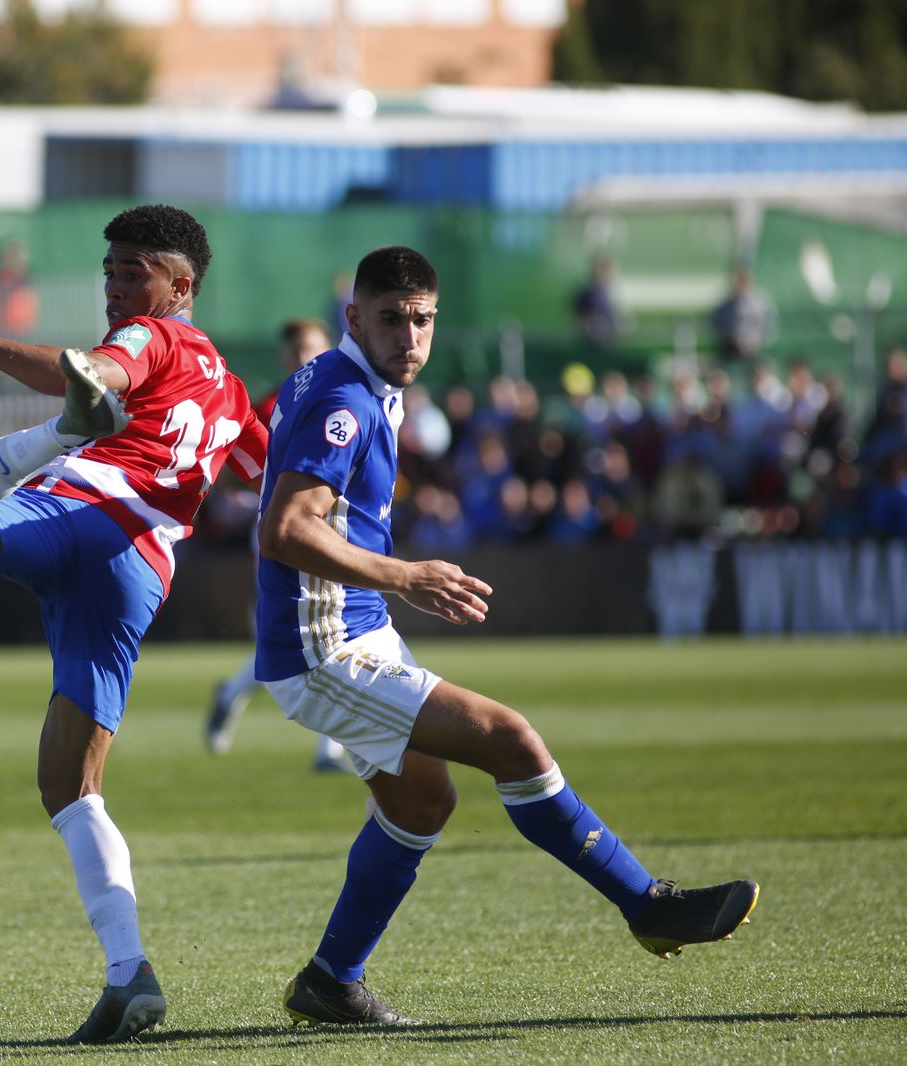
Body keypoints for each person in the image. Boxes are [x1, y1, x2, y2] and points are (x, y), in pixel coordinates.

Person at [254, 245, 759, 1027]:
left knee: (421, 804)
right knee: (514, 740)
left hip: (355, 633)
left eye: (422, 320)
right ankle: (645, 903)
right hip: (324, 648)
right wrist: (405, 575)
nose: (410, 337)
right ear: (353, 318)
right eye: (391, 319)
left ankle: (331, 980)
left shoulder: (343, 381)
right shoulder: (345, 397)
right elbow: (285, 529)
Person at [0, 204, 267, 1044]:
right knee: (70, 786)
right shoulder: (235, 398)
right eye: (111, 272)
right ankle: (129, 974)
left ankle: (50, 441)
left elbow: (98, 372)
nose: (117, 286)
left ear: (181, 286)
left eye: (135, 271)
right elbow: (279, 484)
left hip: (78, 514)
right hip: (138, 573)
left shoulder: (153, 338)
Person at [204, 316, 350, 772]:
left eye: (318, 348)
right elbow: (242, 462)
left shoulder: (346, 395)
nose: (311, 358)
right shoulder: (272, 404)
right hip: (283, 524)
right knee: (303, 630)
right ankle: (326, 746)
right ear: (287, 357)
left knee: (331, 629)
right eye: (302, 350)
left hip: (332, 524)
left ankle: (324, 746)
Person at [709, 264, 776, 363]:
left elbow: (768, 326)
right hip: (730, 350)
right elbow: (715, 324)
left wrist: (755, 341)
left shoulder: (759, 302)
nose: (741, 284)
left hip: (755, 351)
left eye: (744, 280)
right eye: (739, 280)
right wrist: (732, 339)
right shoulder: (725, 304)